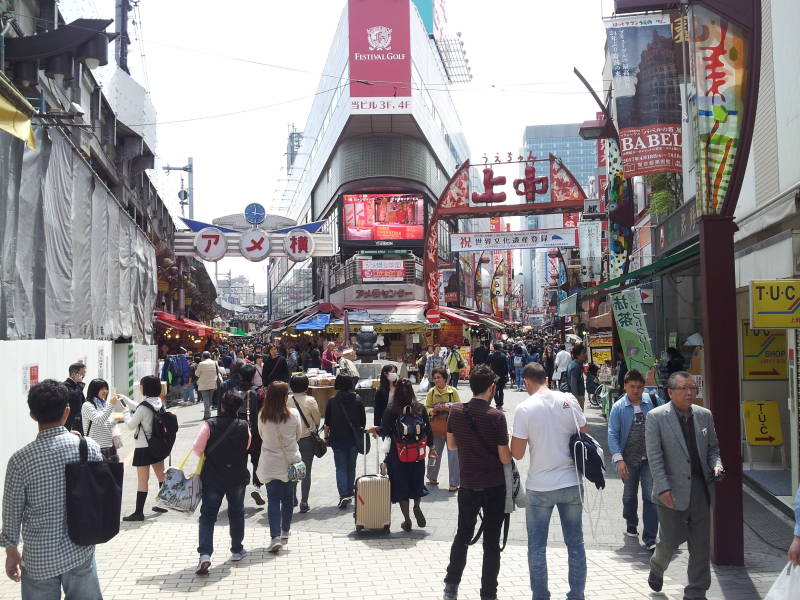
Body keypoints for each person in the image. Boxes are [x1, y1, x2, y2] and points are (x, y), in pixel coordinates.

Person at [0, 380, 103, 598]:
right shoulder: (88, 447)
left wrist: (11, 550)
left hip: (39, 559)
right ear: (67, 411)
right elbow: (99, 495)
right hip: (80, 549)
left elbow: (11, 512)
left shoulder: (20, 460)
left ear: (32, 415)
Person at [510, 362, 589, 600]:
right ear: (546, 378)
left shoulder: (524, 408)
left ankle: (541, 596)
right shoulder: (568, 400)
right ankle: (576, 595)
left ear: (526, 381)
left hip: (540, 486)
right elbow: (583, 430)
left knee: (537, 547)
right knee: (575, 543)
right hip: (571, 481)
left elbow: (518, 453)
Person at [645, 371, 724, 598]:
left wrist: (717, 466)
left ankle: (696, 592)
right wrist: (663, 488)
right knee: (670, 541)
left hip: (701, 487)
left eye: (692, 388)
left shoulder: (704, 415)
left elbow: (713, 449)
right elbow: (655, 456)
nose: (690, 393)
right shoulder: (656, 417)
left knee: (700, 545)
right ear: (670, 392)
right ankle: (657, 566)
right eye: (684, 388)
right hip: (670, 488)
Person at [442, 365, 512, 600]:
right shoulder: (496, 417)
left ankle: (451, 587)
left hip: (468, 484)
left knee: (462, 535)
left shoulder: (456, 411)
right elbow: (504, 457)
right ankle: (488, 594)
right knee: (491, 543)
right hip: (494, 486)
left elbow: (451, 446)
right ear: (492, 387)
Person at [194, 390, 251, 575]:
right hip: (237, 476)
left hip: (213, 476)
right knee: (236, 512)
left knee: (208, 515)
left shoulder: (210, 424)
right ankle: (236, 550)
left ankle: (205, 555)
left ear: (222, 406)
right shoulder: (244, 425)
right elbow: (247, 446)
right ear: (238, 407)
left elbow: (197, 449)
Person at [368, 379, 434, 532]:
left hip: (398, 454)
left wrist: (374, 429)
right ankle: (417, 505)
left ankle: (407, 520)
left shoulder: (391, 409)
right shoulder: (419, 408)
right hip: (417, 453)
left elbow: (384, 430)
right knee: (416, 482)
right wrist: (432, 447)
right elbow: (428, 430)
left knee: (401, 486)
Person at [607, 369, 658, 551]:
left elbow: (666, 413)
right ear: (625, 387)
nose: (636, 391)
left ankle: (651, 537)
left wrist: (653, 388)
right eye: (632, 387)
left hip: (649, 459)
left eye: (639, 387)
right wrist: (619, 459)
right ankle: (631, 522)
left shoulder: (651, 402)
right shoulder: (619, 407)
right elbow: (612, 434)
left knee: (650, 496)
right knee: (629, 496)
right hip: (628, 459)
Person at [257, 382, 303, 553]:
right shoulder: (294, 414)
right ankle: (285, 531)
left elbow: (262, 435)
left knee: (273, 500)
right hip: (290, 461)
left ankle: (274, 536)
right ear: (285, 397)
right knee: (288, 498)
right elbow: (298, 435)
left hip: (270, 462)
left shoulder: (263, 416)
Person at [121, 375, 170, 521]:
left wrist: (124, 412)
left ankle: (138, 512)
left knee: (143, 480)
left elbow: (130, 425)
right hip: (157, 444)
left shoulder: (143, 407)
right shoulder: (159, 403)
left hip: (143, 447)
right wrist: (124, 398)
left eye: (141, 385)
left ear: (145, 388)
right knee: (161, 475)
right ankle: (163, 504)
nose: (140, 387)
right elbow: (138, 407)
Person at [324, 374, 366, 509]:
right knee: (351, 466)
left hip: (337, 439)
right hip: (353, 439)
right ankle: (349, 491)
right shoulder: (358, 399)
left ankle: (343, 495)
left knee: (340, 468)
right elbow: (363, 421)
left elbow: (327, 423)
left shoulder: (332, 401)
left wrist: (326, 438)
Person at [424, 367, 460, 491]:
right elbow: (426, 408)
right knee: (434, 454)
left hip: (452, 429)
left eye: (439, 377)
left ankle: (454, 483)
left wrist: (448, 407)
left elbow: (459, 408)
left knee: (454, 456)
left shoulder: (452, 391)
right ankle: (431, 477)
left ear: (445, 378)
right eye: (434, 378)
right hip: (436, 429)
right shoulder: (431, 392)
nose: (436, 380)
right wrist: (432, 410)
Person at [289, 375, 321, 513]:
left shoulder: (287, 400)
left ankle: (292, 498)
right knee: (306, 472)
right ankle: (304, 501)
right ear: (306, 386)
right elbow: (318, 419)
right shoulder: (310, 400)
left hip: (291, 440)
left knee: (294, 469)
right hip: (307, 439)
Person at [81, 378, 124, 462]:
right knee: (99, 474)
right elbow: (99, 420)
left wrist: (117, 419)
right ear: (94, 390)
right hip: (95, 447)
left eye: (106, 388)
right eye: (101, 389)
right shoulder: (87, 405)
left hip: (111, 447)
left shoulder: (105, 404)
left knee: (114, 474)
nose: (105, 391)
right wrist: (111, 405)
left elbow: (107, 424)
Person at [196, 351, 221, 420]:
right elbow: (218, 371)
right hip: (213, 384)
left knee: (206, 400)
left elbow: (197, 374)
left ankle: (207, 415)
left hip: (204, 384)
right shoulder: (214, 362)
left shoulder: (201, 364)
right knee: (209, 400)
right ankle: (207, 414)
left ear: (203, 357)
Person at [63, 362, 86, 432]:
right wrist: (79, 384)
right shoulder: (66, 385)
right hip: (71, 422)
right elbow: (75, 397)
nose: (84, 375)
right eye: (82, 373)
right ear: (74, 374)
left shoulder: (76, 385)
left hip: (79, 421)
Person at [487, 343, 510, 410]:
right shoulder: (503, 356)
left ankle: (497, 403)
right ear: (500, 348)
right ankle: (500, 403)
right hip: (502, 375)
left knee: (494, 389)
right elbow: (506, 366)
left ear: (494, 348)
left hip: (494, 375)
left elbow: (487, 364)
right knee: (501, 389)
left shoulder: (491, 356)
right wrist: (506, 374)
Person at [566, 343, 587, 410]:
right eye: (583, 353)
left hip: (575, 396)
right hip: (577, 396)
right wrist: (576, 399)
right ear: (578, 355)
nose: (585, 355)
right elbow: (573, 384)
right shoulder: (575, 367)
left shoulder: (574, 364)